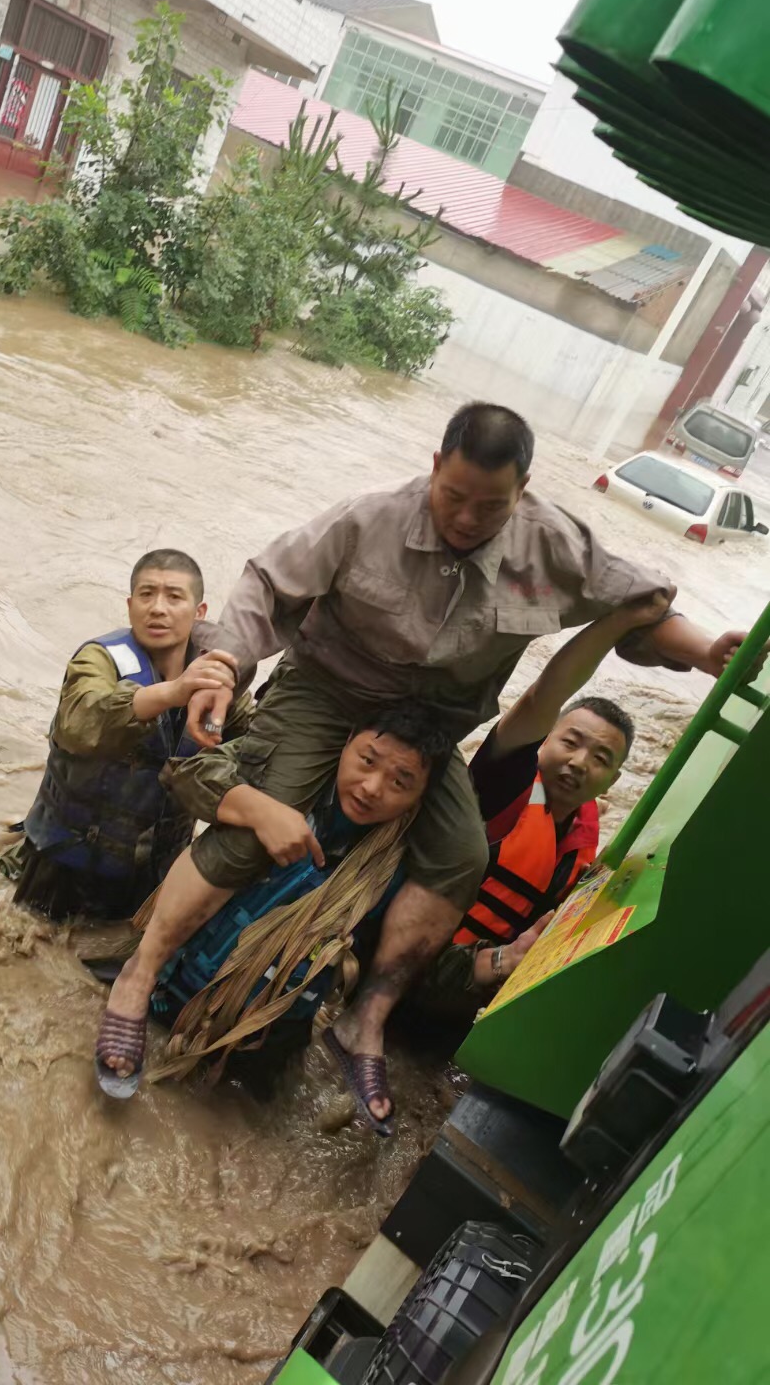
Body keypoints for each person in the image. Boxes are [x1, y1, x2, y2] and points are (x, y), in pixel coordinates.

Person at [97, 402, 753, 1106]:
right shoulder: (367, 519)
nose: (468, 518)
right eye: (454, 496)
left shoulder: (556, 545)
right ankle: (139, 978)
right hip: (329, 688)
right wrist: (225, 664)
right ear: (435, 467)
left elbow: (643, 606)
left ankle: (366, 1019)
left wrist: (707, 650)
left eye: (491, 505)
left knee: (463, 854)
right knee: (266, 814)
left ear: (524, 489)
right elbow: (265, 582)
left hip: (434, 723)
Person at [126, 705, 454, 1132]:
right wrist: (259, 810)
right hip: (171, 993)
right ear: (346, 741)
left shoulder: (400, 871)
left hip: (265, 1042)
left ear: (419, 798)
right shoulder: (289, 773)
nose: (372, 788)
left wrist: (496, 962)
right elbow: (189, 771)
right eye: (367, 761)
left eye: (400, 781)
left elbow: (403, 962)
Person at [411, 595, 665, 1023]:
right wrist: (616, 623)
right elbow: (539, 698)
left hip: (465, 991)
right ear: (543, 740)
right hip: (411, 961)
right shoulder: (501, 786)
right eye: (570, 741)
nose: (580, 762)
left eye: (601, 758)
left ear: (613, 781)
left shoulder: (581, 841)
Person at [1, 549, 247, 920]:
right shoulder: (99, 659)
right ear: (130, 605)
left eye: (174, 597)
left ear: (199, 613)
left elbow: (257, 751)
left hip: (152, 878)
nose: (158, 608)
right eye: (147, 595)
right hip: (59, 867)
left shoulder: (217, 683)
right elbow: (79, 722)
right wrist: (173, 692)